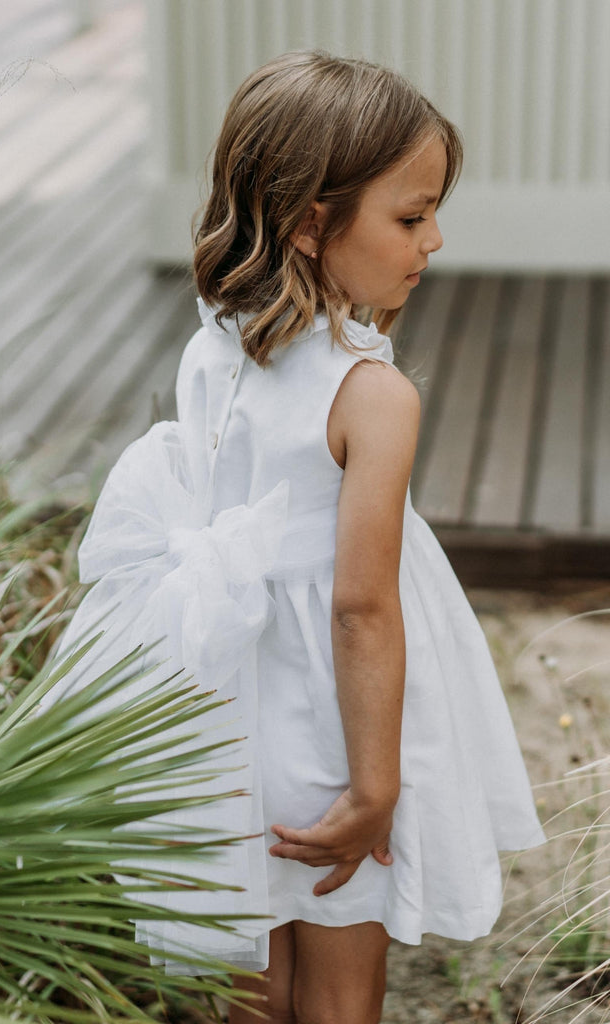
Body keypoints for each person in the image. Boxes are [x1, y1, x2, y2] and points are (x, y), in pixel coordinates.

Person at [50, 51, 545, 1024]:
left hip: (220, 713)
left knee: (249, 987)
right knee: (337, 984)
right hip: (327, 726)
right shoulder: (374, 395)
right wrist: (374, 785)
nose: (435, 239)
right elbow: (360, 608)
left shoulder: (212, 344)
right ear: (313, 221)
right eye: (410, 216)